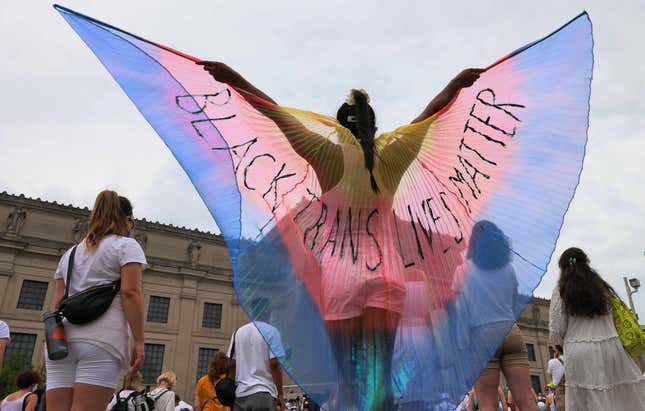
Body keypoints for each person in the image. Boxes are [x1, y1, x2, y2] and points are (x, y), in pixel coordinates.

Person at [200, 60, 483, 410]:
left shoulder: (326, 155)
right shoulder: (392, 156)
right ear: (373, 125)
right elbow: (428, 116)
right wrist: (456, 84)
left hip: (341, 279)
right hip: (386, 276)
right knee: (380, 382)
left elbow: (273, 112)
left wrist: (232, 78)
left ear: (338, 128)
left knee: (348, 384)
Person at [46, 190, 147, 411]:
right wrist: (138, 341)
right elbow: (130, 293)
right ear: (128, 220)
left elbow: (57, 302)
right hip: (101, 340)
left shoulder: (70, 254)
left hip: (61, 341)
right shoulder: (126, 245)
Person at [549, 247, 645, 411]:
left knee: (587, 401)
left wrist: (559, 344)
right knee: (619, 397)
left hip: (579, 351)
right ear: (586, 262)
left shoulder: (560, 291)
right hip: (611, 347)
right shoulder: (602, 287)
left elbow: (557, 330)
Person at [227, 302, 286, 411]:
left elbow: (232, 365)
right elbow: (274, 364)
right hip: (263, 392)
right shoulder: (272, 332)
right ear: (267, 312)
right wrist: (281, 394)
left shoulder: (238, 332)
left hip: (240, 395)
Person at [546, 345, 564, 411]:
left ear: (558, 350)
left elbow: (551, 377)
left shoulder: (552, 362)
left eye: (554, 351)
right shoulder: (572, 359)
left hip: (561, 393)